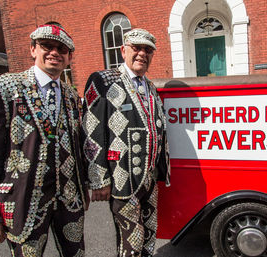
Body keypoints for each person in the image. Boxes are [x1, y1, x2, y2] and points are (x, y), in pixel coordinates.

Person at [0, 23, 89, 256]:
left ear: (69, 58)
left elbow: (77, 147)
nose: (55, 52)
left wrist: (83, 187)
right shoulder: (2, 88)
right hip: (24, 200)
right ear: (33, 49)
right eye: (47, 46)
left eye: (62, 49)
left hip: (68, 200)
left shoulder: (69, 94)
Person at [82, 28, 170, 257]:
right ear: (123, 51)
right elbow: (91, 131)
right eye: (136, 48)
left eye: (148, 50)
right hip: (123, 179)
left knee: (150, 234)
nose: (142, 53)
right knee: (131, 240)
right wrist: (99, 179)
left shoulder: (150, 87)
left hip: (149, 178)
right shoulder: (103, 81)